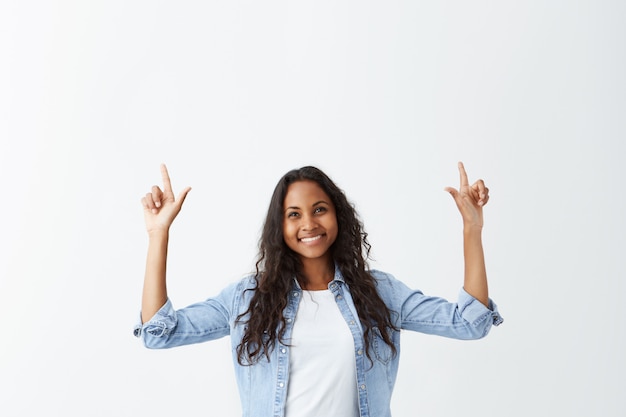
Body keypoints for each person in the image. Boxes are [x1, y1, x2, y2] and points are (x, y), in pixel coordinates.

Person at [134, 162, 503, 417]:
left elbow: (469, 323)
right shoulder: (248, 298)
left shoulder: (380, 294)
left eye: (319, 209)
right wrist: (158, 234)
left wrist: (472, 229)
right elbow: (159, 332)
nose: (308, 223)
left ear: (338, 215)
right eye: (294, 214)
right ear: (280, 226)